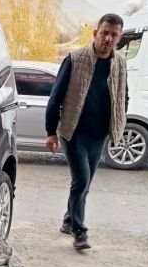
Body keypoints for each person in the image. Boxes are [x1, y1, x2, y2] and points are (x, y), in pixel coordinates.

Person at [45, 14, 128, 250]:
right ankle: (79, 231)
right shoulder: (74, 59)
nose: (108, 39)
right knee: (81, 180)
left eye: (114, 35)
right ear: (95, 33)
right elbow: (55, 97)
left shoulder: (120, 63)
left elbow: (123, 95)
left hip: (99, 134)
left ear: (119, 38)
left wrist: (118, 123)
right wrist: (51, 132)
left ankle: (68, 220)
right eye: (105, 33)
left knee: (85, 182)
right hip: (74, 132)